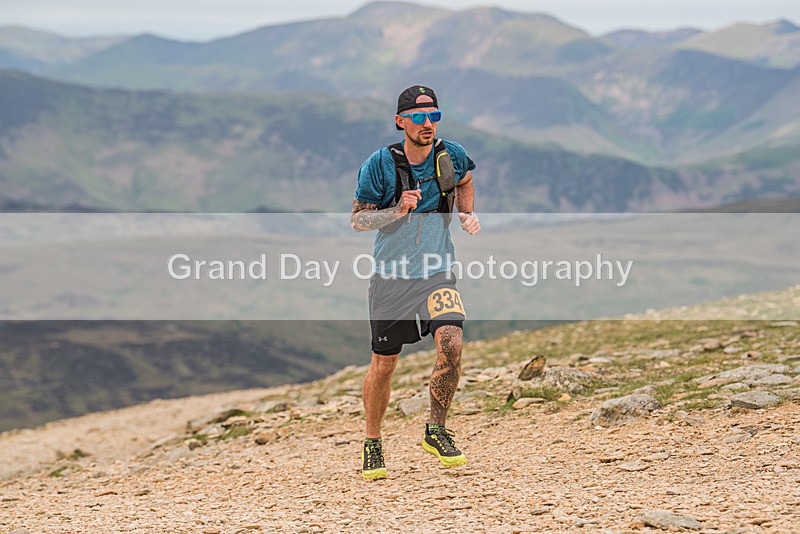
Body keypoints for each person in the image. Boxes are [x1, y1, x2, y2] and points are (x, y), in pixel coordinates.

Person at [351, 85, 480, 481]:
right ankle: (373, 441)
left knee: (452, 342)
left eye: (435, 116)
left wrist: (466, 214)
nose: (428, 124)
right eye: (420, 117)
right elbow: (358, 220)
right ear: (400, 120)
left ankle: (436, 429)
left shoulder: (451, 153)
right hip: (391, 278)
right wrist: (397, 209)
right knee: (384, 365)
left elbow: (465, 178)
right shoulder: (380, 164)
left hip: (437, 271)